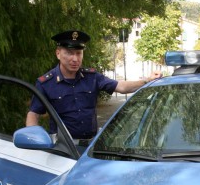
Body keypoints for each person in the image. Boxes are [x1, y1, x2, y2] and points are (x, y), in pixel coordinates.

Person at [25, 30, 162, 146]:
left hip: (91, 149)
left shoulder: (92, 77)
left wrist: (146, 80)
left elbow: (121, 87)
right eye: (69, 53)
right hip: (62, 149)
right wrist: (33, 141)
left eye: (78, 53)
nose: (75, 59)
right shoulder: (46, 83)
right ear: (58, 54)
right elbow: (33, 114)